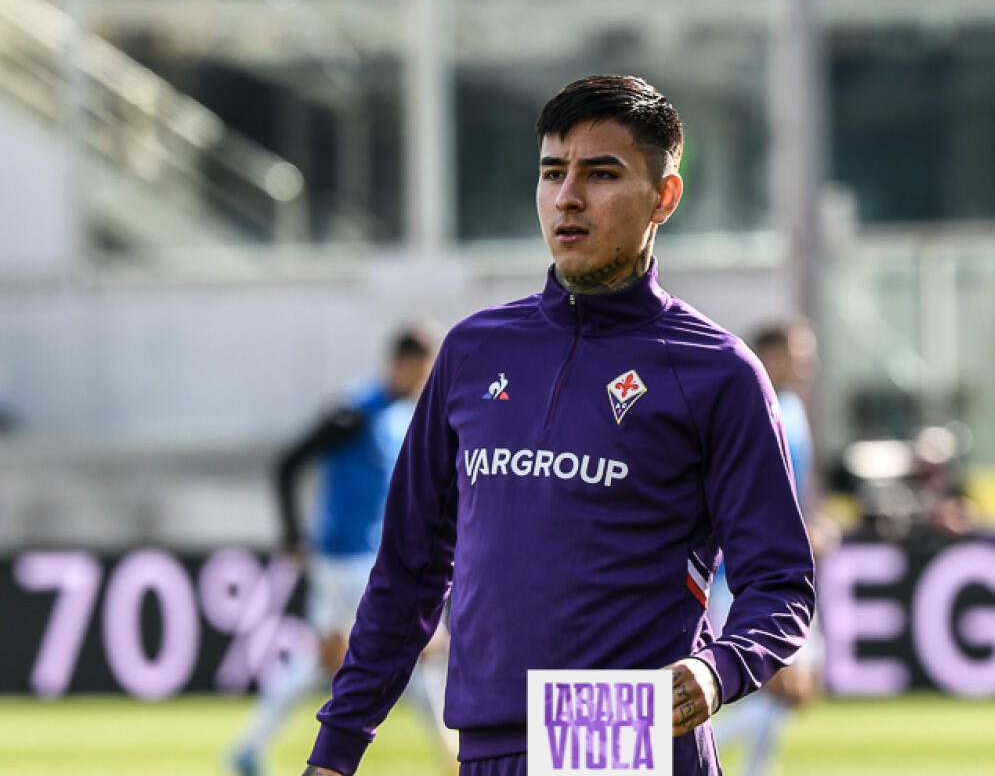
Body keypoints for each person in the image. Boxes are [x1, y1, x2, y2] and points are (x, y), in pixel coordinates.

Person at [302, 75, 815, 776]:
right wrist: (335, 751)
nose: (568, 196)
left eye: (602, 174)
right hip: (484, 743)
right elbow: (408, 572)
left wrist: (720, 669)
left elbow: (782, 582)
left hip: (620, 737)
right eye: (553, 172)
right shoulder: (472, 350)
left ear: (664, 197)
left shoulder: (717, 372)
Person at [230, 328, 446, 776]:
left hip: (361, 557)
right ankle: (453, 757)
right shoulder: (357, 411)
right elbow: (290, 460)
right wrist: (292, 533)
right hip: (346, 559)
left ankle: (249, 748)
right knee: (406, 648)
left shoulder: (398, 413)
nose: (424, 380)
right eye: (422, 370)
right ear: (403, 364)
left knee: (322, 661)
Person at [710, 319, 833, 776]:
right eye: (798, 353)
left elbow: (787, 491)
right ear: (771, 354)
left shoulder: (792, 408)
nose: (807, 363)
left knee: (794, 694)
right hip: (741, 578)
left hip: (786, 570)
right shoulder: (748, 408)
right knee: (782, 688)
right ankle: (669, 755)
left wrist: (809, 526)